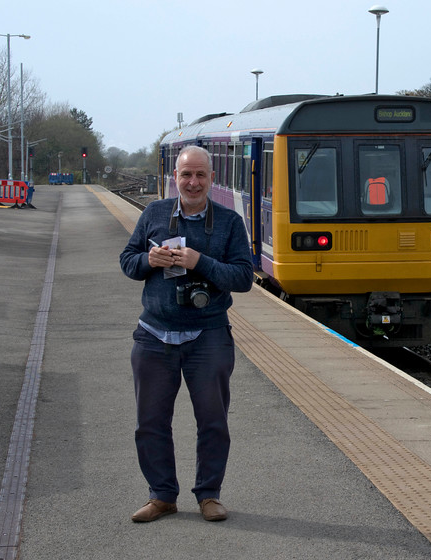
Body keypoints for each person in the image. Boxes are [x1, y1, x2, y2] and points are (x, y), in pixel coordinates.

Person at [119, 145, 253, 523]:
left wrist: (200, 262)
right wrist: (149, 260)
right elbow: (128, 262)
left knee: (213, 421)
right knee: (150, 422)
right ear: (174, 177)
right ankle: (161, 496)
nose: (193, 182)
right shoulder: (154, 213)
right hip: (154, 335)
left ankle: (209, 495)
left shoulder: (228, 222)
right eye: (185, 175)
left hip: (208, 334)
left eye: (200, 175)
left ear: (212, 178)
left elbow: (244, 278)